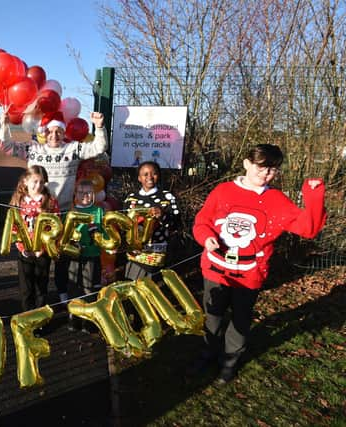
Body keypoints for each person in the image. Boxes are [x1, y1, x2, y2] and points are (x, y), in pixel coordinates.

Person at [191, 144, 326, 384]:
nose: (265, 174)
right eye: (261, 167)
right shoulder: (223, 191)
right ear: (246, 163)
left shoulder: (276, 200)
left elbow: (308, 228)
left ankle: (230, 361)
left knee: (241, 318)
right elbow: (203, 220)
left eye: (272, 170)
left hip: (249, 274)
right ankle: (207, 352)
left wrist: (313, 196)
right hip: (215, 268)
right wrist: (206, 237)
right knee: (212, 315)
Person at [0, 110, 108, 304]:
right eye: (50, 131)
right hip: (35, 214)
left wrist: (99, 127)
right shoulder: (34, 149)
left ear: (64, 132)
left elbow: (99, 148)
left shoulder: (73, 149)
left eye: (58, 131)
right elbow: (7, 146)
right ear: (44, 132)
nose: (54, 135)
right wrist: (4, 125)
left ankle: (62, 293)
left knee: (61, 257)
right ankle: (34, 300)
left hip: (64, 213)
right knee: (36, 259)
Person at [9, 165, 60, 311]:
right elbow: (13, 226)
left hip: (42, 251)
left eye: (41, 182)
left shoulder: (50, 201)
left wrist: (43, 248)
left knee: (41, 287)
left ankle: (40, 317)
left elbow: (55, 227)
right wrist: (22, 247)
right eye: (35, 181)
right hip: (25, 250)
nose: (38, 185)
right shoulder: (18, 200)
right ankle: (27, 317)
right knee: (26, 287)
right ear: (25, 181)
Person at [124, 161, 180, 281]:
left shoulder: (167, 197)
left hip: (156, 253)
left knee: (153, 291)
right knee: (133, 289)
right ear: (139, 178)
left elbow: (176, 224)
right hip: (134, 254)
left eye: (153, 173)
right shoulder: (131, 197)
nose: (150, 177)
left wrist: (162, 216)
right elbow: (124, 223)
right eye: (145, 174)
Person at [67, 179, 104, 332]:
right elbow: (67, 234)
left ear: (93, 195)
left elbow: (103, 231)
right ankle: (74, 318)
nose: (84, 195)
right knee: (74, 286)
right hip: (75, 256)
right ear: (76, 194)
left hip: (92, 254)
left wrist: (96, 231)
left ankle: (89, 320)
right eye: (81, 192)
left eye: (88, 192)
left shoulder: (98, 211)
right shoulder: (72, 212)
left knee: (90, 287)